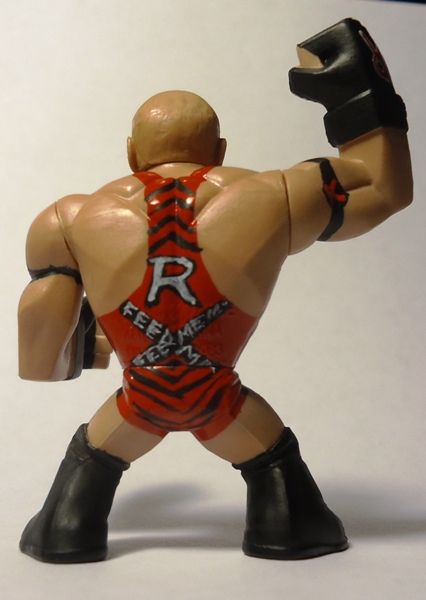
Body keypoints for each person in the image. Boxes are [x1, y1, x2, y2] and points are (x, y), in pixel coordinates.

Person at [18, 18, 412, 563]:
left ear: (131, 152)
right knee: (278, 476)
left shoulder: (68, 218)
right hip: (218, 400)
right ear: (220, 150)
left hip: (137, 402)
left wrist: (94, 339)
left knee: (85, 474)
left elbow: (43, 349)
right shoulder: (275, 195)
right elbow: (384, 188)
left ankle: (66, 530)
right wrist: (361, 96)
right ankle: (289, 527)